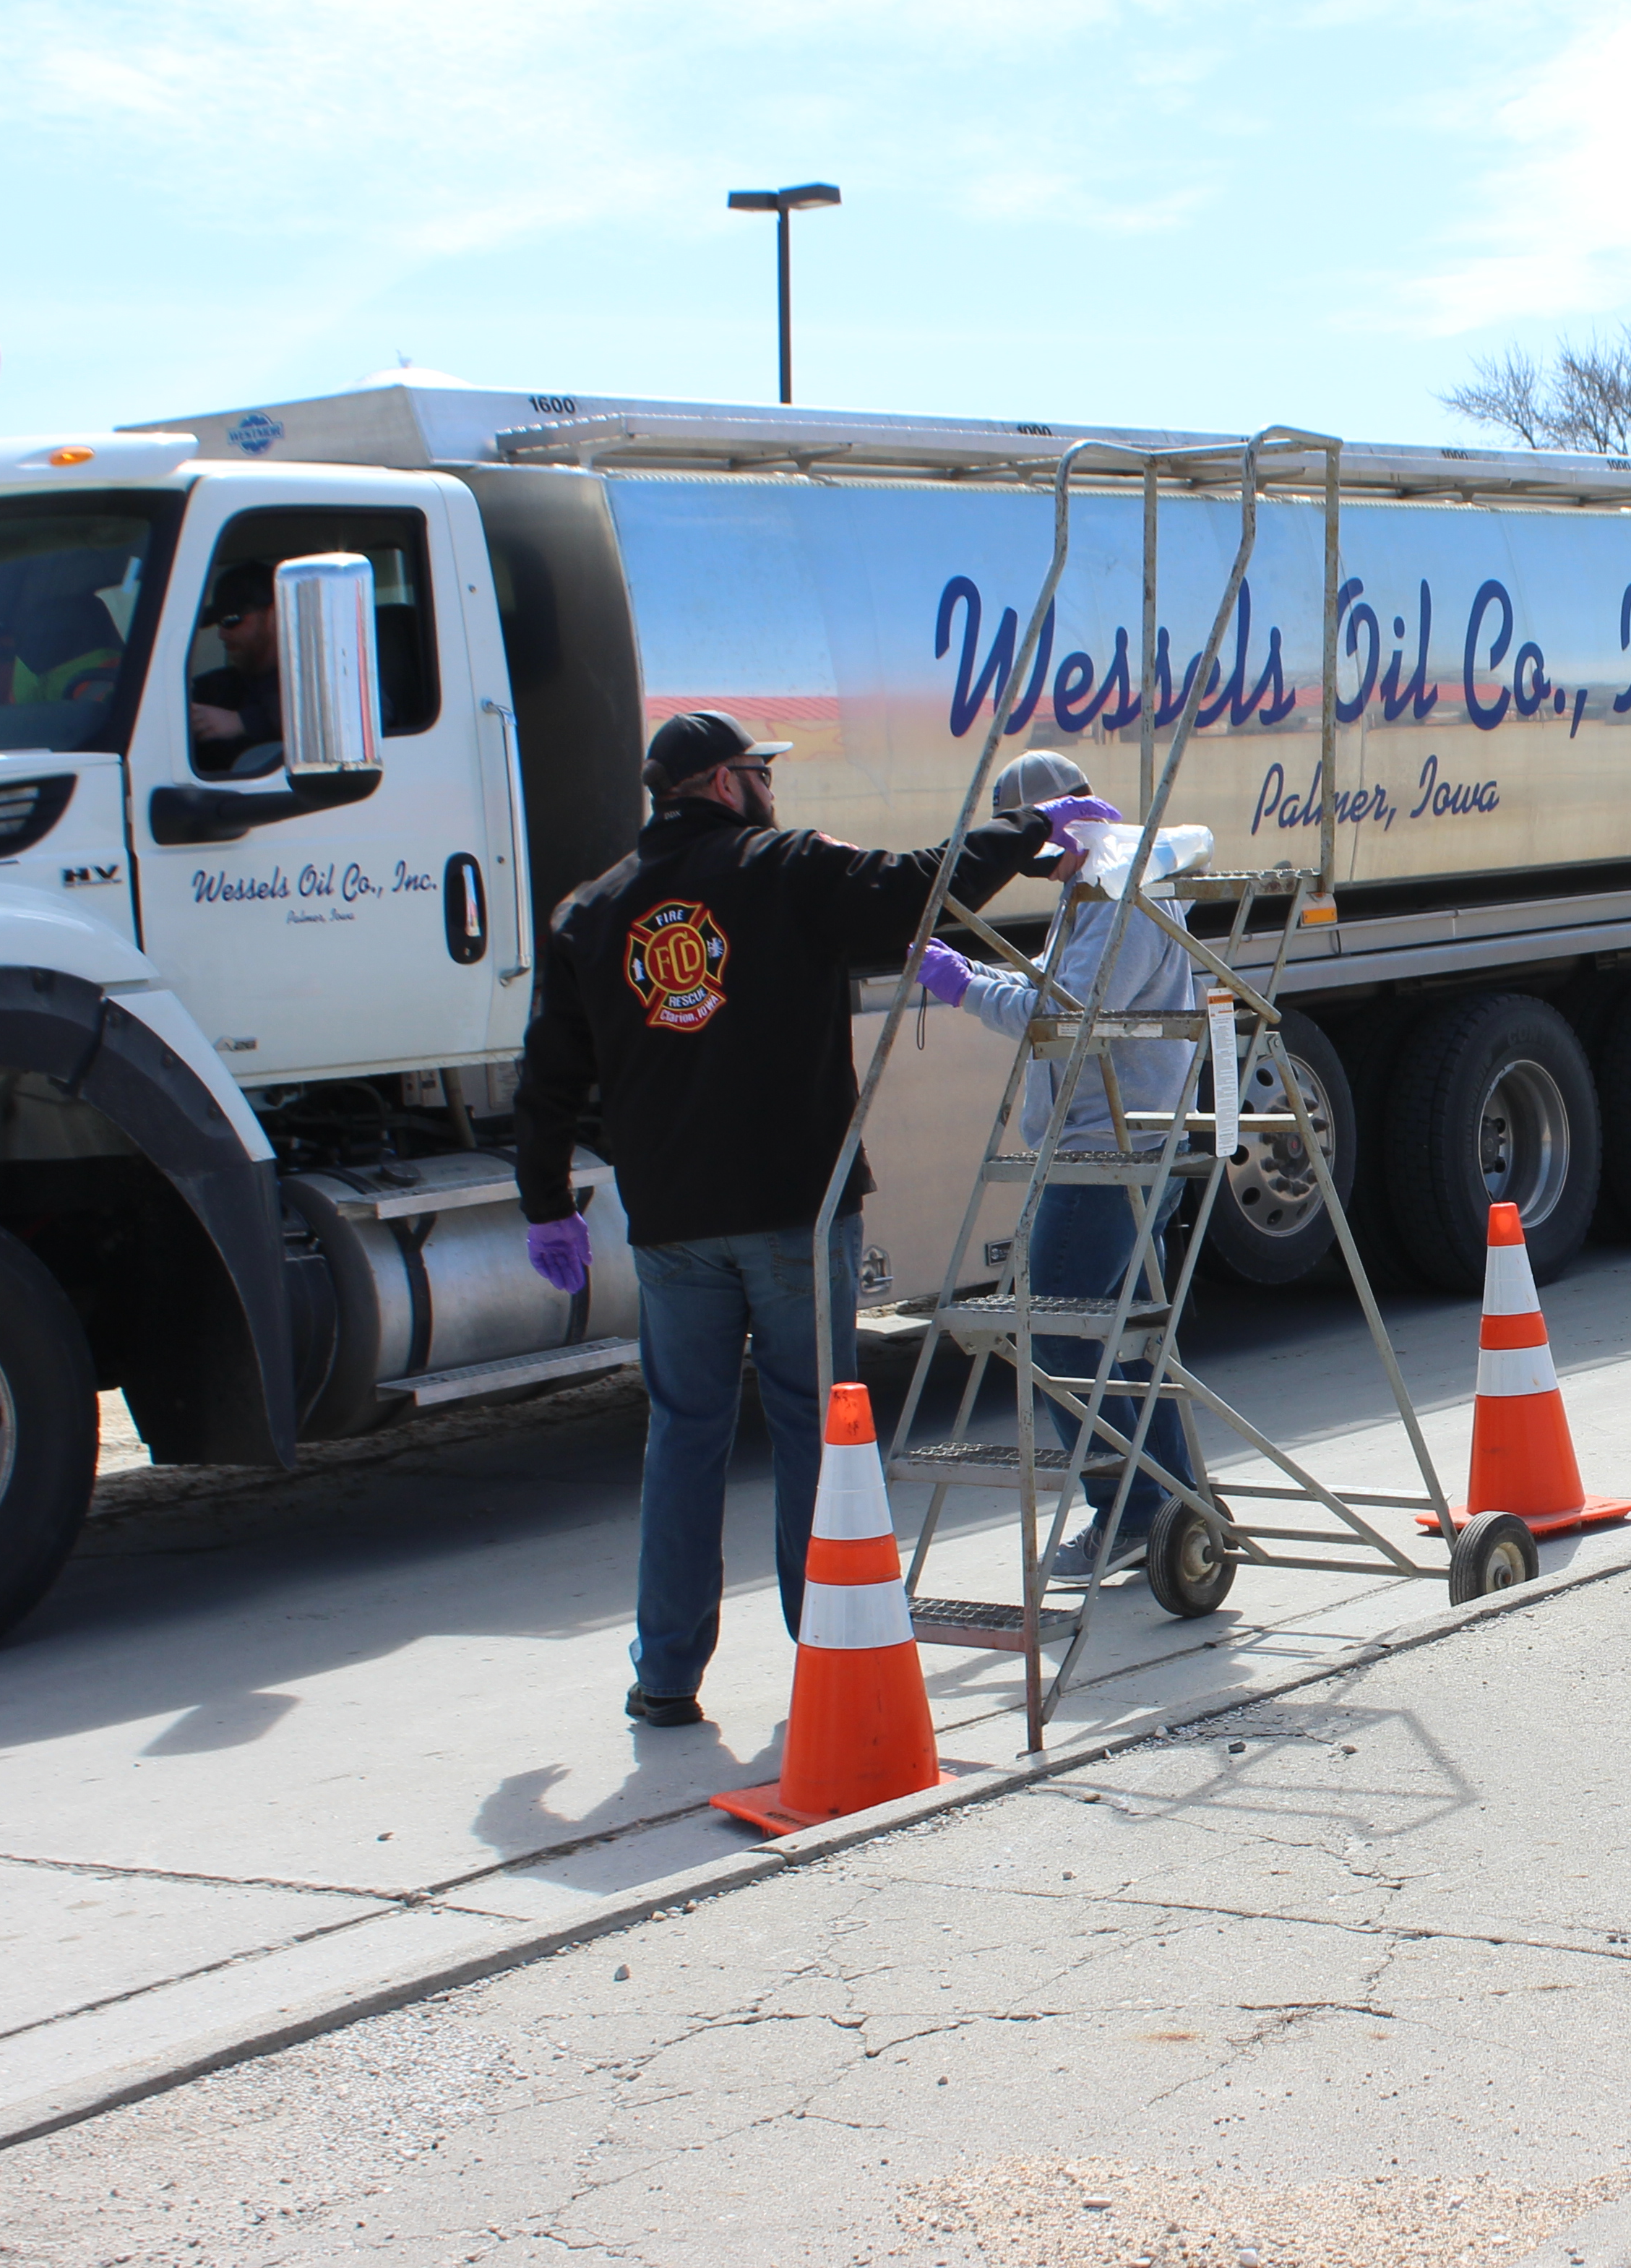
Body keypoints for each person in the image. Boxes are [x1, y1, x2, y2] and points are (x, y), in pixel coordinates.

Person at [514, 710, 1101, 1725]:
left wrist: (544, 1203)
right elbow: (913, 886)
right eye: (759, 771)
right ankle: (830, 1647)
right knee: (813, 1433)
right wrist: (1024, 832)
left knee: (683, 1439)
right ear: (723, 784)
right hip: (794, 1206)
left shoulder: (592, 910)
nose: (770, 787)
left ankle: (665, 1678)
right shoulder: (781, 866)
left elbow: (548, 1078)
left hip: (670, 1225)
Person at [915, 751, 1210, 1584]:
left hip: (1107, 1148)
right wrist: (976, 972)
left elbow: (1063, 1014)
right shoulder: (1106, 887)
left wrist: (961, 989)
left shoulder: (1119, 899)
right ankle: (1169, 1507)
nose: (1040, 867)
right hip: (1110, 1140)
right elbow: (1059, 985)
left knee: (1058, 1336)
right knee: (1116, 1342)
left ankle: (1131, 1510)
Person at [187, 568, 281, 770]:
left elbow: (325, 717)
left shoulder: (311, 682)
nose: (221, 633)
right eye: (217, 622)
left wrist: (241, 723)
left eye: (231, 620)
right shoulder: (215, 687)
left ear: (273, 615)